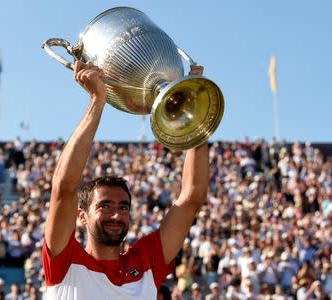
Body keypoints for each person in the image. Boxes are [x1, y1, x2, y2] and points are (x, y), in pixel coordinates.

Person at [41, 60, 209, 299]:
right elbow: (64, 187)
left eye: (123, 207)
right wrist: (97, 101)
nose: (116, 215)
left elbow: (192, 198)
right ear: (82, 216)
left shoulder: (146, 264)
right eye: (104, 206)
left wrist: (194, 113)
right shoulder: (64, 261)